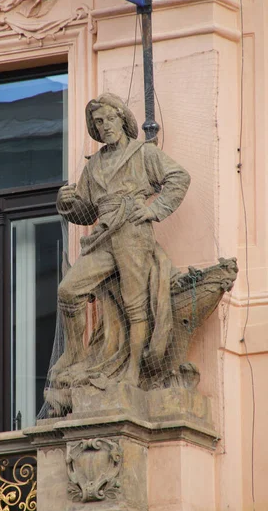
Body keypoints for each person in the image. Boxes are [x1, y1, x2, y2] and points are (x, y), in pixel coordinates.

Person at [55, 93, 191, 387]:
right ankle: (76, 354)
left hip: (132, 231)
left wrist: (153, 209)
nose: (104, 126)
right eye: (98, 122)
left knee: (135, 305)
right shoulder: (94, 166)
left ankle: (132, 372)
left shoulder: (143, 153)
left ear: (123, 118)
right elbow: (86, 211)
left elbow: (179, 177)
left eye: (109, 119)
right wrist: (66, 204)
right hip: (104, 234)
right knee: (68, 290)